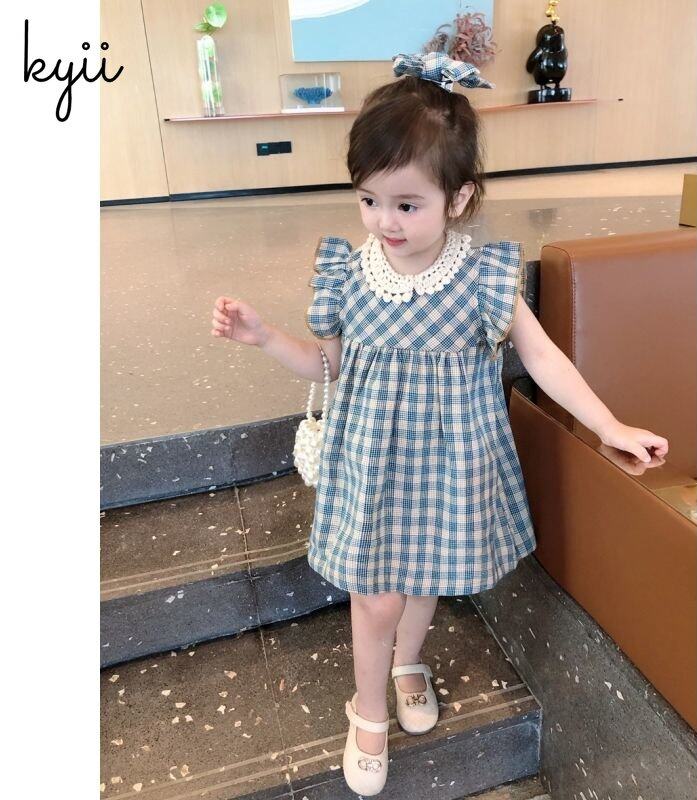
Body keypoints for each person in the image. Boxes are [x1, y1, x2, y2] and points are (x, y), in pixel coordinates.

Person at [210, 52, 669, 796]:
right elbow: (326, 364)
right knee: (376, 596)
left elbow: (543, 357)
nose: (383, 222)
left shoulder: (483, 280)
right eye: (369, 200)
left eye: (407, 204)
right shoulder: (349, 274)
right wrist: (264, 337)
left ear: (459, 198)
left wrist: (608, 424)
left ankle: (407, 662)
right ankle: (366, 708)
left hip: (449, 466)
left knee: (423, 580)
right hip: (371, 463)